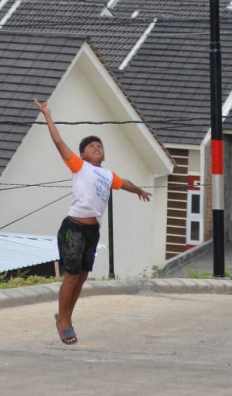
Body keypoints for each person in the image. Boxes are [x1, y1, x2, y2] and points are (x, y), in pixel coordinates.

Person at [33, 98, 151, 345]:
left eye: (100, 145)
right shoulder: (79, 166)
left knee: (83, 277)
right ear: (83, 154)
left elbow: (125, 183)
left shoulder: (108, 175)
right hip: (74, 228)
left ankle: (66, 316)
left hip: (92, 232)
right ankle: (63, 321)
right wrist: (47, 115)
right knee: (71, 276)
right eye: (91, 146)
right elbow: (58, 142)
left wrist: (139, 190)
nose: (97, 147)